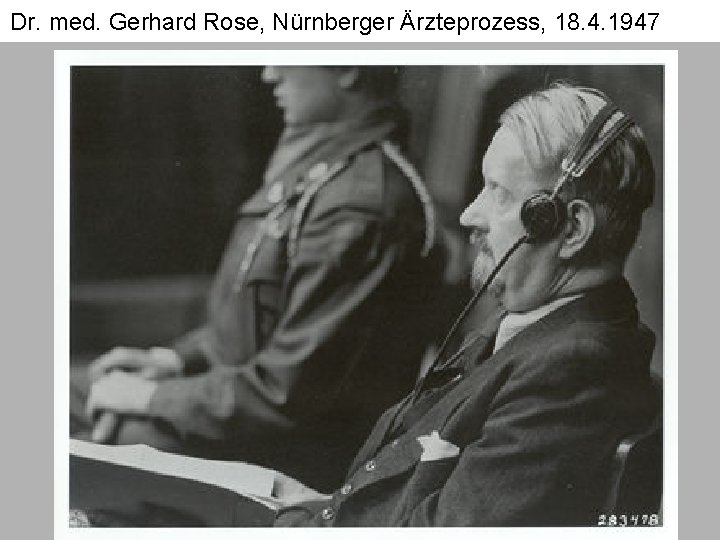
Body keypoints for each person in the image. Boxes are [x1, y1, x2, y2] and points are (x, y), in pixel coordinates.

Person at [273, 83, 660, 526]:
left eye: (499, 193)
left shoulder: (571, 368)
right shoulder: (536, 335)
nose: (469, 216)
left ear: (569, 228)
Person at [76, 66, 441, 492]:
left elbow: (286, 394)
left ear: (348, 70)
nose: (269, 74)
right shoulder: (317, 166)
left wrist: (150, 399)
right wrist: (173, 361)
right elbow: (251, 325)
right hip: (231, 413)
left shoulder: (360, 204)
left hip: (281, 452)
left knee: (78, 449)